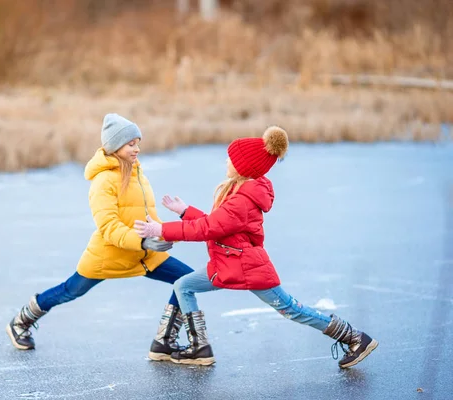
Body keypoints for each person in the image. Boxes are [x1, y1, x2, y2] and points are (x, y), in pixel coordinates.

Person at [134, 126, 378, 368]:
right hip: (227, 263)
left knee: (292, 310)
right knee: (183, 285)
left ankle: (355, 338)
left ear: (243, 167)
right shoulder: (240, 192)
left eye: (231, 159)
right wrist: (187, 212)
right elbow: (218, 224)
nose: (226, 162)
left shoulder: (242, 200)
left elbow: (209, 228)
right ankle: (199, 348)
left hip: (246, 266)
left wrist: (161, 230)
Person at [6, 113, 194, 361]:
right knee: (69, 291)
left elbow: (152, 221)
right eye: (131, 144)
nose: (137, 149)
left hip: (144, 255)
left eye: (138, 143)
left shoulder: (139, 174)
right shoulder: (103, 181)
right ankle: (21, 321)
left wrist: (171, 234)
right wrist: (143, 241)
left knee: (187, 281)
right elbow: (109, 226)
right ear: (116, 146)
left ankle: (164, 342)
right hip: (109, 256)